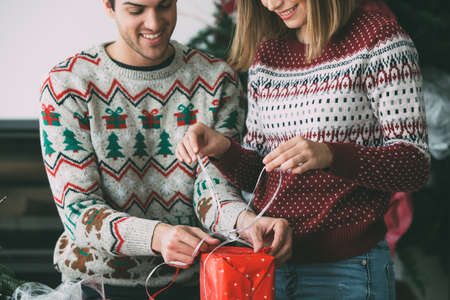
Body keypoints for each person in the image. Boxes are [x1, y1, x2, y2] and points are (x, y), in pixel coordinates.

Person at [176, 0, 430, 299]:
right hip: (271, 264)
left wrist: (330, 155)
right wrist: (221, 149)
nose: (271, 5)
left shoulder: (379, 39)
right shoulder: (268, 53)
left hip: (349, 269)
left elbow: (415, 165)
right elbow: (259, 176)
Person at [38, 0, 292, 299]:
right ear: (109, 6)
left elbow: (214, 192)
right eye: (136, 10)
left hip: (191, 282)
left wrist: (245, 222)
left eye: (164, 6)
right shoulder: (68, 85)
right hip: (94, 284)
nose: (154, 23)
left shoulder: (216, 79)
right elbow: (79, 209)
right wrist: (157, 236)